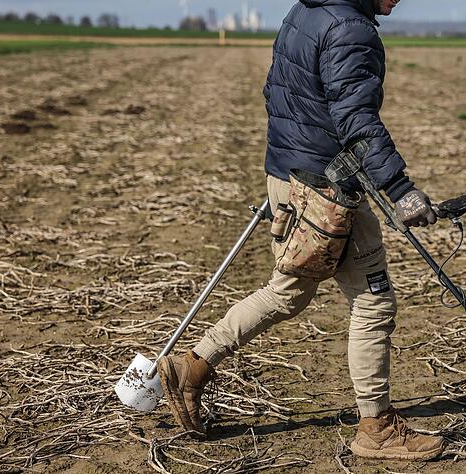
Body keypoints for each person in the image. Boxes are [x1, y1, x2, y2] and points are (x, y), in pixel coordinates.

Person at [157, 0, 445, 461]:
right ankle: (377, 430)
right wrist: (400, 189)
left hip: (290, 178)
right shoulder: (351, 29)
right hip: (326, 190)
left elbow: (276, 91)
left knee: (287, 292)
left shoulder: (306, 11)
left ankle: (191, 367)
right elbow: (358, 120)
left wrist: (291, 169)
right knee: (373, 300)